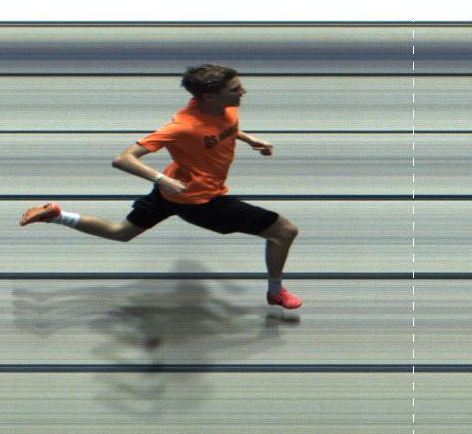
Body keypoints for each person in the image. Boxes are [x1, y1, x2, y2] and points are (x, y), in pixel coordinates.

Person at [18, 64, 304, 309]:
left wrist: (249, 139)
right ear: (208, 96)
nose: (243, 92)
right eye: (235, 89)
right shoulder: (182, 126)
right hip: (201, 201)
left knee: (121, 232)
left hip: (171, 193)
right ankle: (275, 291)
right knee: (284, 232)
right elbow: (123, 159)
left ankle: (56, 215)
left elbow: (223, 128)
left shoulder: (224, 108)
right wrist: (161, 179)